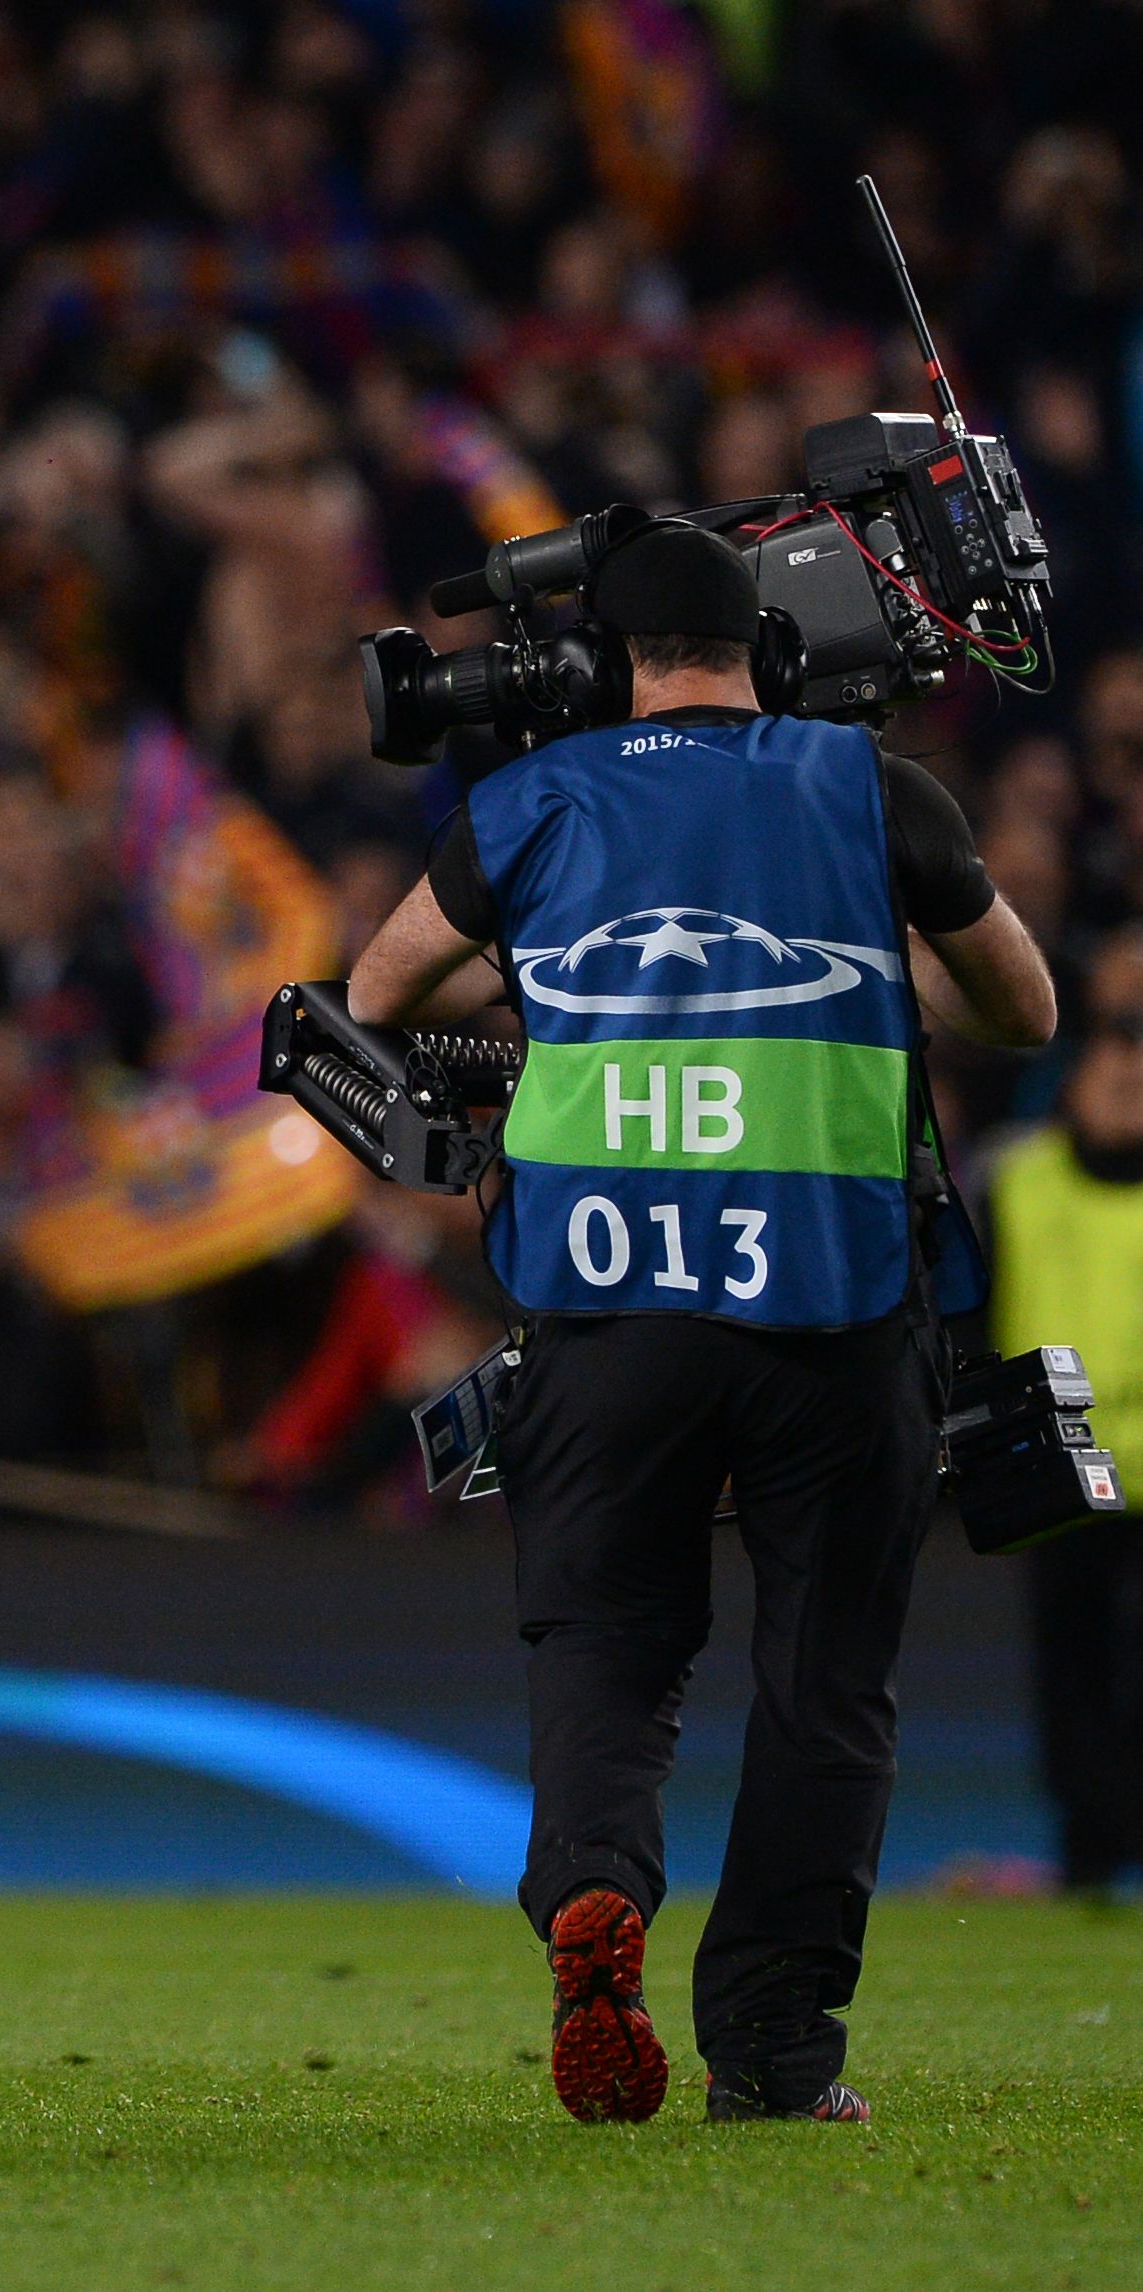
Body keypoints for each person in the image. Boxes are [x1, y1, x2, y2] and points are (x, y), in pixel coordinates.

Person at [348, 519, 1057, 2126]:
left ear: (606, 661)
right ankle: (776, 2055)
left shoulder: (528, 799)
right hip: (833, 1308)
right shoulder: (875, 789)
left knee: (604, 1646)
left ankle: (597, 1885)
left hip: (606, 1315)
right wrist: (873, 980)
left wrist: (564, 998)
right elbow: (1027, 1010)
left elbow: (380, 992)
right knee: (826, 1690)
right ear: (766, 649)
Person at [985, 928, 1143, 1897]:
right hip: (1060, 1472)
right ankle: (1089, 1854)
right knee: (1071, 1678)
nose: (1125, 1079)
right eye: (1112, 1058)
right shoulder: (1023, 1181)